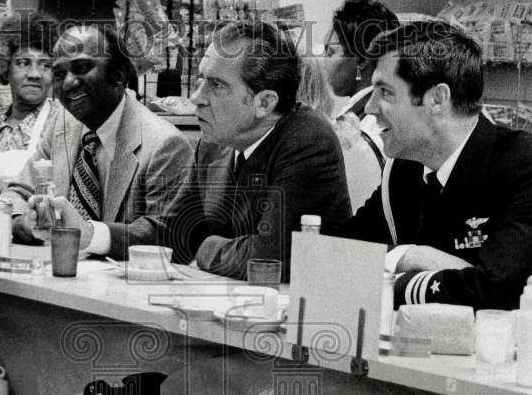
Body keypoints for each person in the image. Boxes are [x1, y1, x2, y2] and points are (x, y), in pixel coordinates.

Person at [48, 20, 353, 281]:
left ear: (265, 103)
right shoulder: (214, 144)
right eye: (200, 79)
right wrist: (89, 233)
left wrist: (204, 247)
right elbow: (172, 233)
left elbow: (271, 256)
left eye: (216, 85)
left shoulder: (308, 140)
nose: (196, 97)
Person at [330, 20, 532, 310]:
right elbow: (336, 253)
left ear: (437, 99)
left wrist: (402, 271)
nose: (369, 107)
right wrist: (409, 257)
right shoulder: (404, 169)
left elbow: (496, 291)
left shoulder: (529, 168)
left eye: (386, 92)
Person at [11, 24, 193, 247]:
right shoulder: (62, 123)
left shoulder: (165, 145)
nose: (68, 82)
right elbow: (16, 193)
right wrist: (25, 223)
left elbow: (163, 233)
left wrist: (89, 234)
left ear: (118, 74)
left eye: (82, 67)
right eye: (59, 74)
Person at [0, 18, 61, 184]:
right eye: (23, 63)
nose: (35, 74)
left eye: (45, 65)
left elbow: (62, 188)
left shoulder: (61, 121)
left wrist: (5, 189)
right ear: (6, 68)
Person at [324, 0, 401, 161]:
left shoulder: (366, 132)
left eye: (330, 53)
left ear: (362, 61)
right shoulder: (358, 113)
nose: (324, 62)